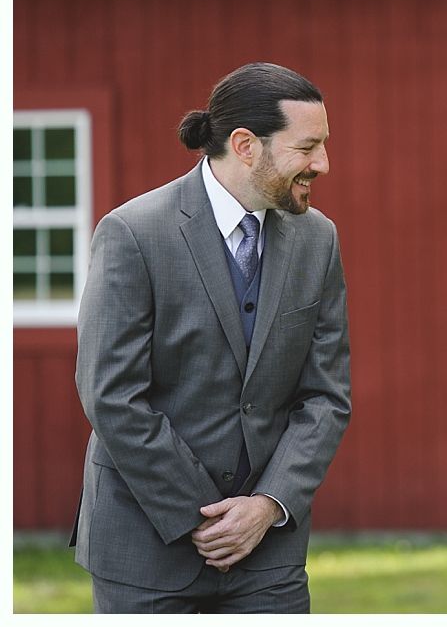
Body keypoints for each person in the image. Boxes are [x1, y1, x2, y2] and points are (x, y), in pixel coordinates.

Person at [71, 62, 352, 613]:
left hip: (269, 552)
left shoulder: (318, 239)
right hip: (146, 545)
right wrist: (204, 515)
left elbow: (326, 395)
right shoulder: (133, 232)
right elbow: (111, 394)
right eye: (307, 147)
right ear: (246, 145)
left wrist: (267, 506)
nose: (323, 164)